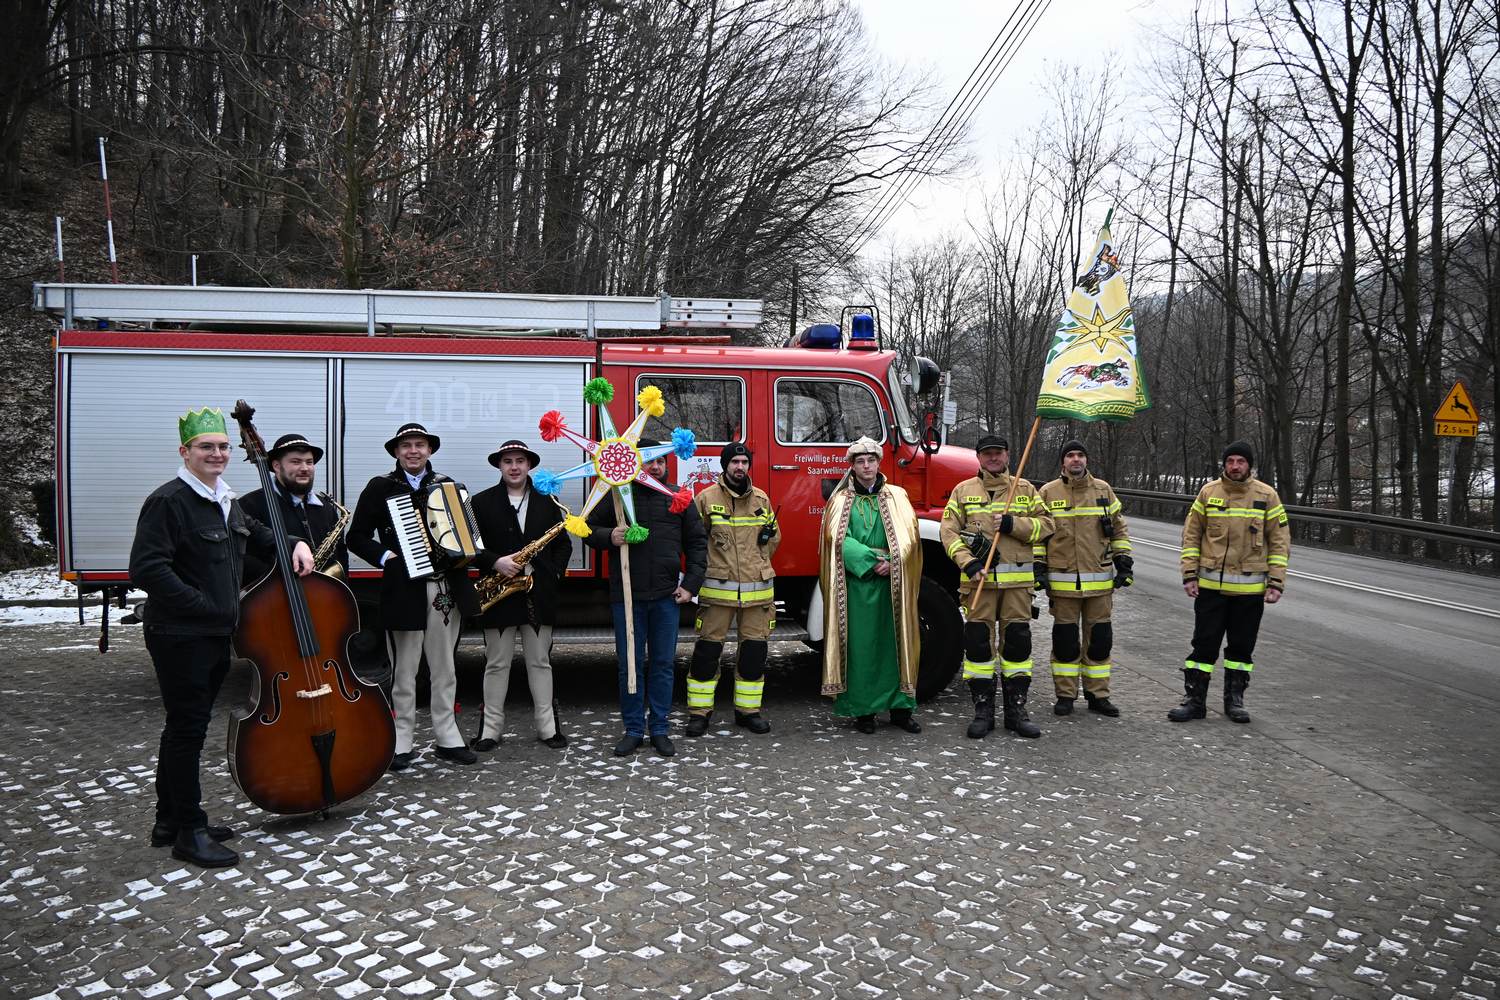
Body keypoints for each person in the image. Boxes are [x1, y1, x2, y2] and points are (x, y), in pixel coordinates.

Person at [129, 407, 314, 868]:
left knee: (185, 727)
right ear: (185, 452)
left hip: (213, 632)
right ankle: (189, 832)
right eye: (206, 447)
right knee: (187, 730)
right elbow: (147, 569)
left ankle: (169, 820)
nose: (217, 454)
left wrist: (295, 542)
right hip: (182, 634)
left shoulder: (223, 498)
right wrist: (204, 605)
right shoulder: (170, 500)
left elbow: (258, 532)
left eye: (223, 447)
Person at [347, 422, 481, 769]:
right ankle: (401, 738)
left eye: (419, 445)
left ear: (429, 450)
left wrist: (468, 548)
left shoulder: (449, 486)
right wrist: (386, 557)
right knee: (404, 670)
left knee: (445, 667)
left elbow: (468, 537)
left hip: (445, 587)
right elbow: (356, 536)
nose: (413, 451)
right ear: (396, 451)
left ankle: (447, 736)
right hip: (403, 588)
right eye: (406, 445)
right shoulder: (381, 487)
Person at [585, 439, 707, 758]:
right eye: (649, 461)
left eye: (660, 461)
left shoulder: (678, 497)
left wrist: (691, 585)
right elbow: (587, 528)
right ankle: (634, 729)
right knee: (630, 666)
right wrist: (608, 536)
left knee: (663, 665)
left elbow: (697, 544)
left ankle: (660, 729)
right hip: (627, 598)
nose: (655, 467)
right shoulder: (617, 495)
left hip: (666, 598)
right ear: (636, 463)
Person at [939, 434, 1054, 739]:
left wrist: (1014, 525)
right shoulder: (963, 491)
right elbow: (948, 532)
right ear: (978, 457)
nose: (993, 458)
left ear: (1007, 455)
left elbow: (1047, 526)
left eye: (998, 453)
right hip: (978, 585)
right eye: (987, 453)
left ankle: (1016, 712)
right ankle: (983, 712)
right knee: (978, 648)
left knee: (1018, 646)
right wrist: (967, 562)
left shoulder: (1025, 489)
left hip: (1017, 588)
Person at [1171, 440, 1290, 723]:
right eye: (1230, 461)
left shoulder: (1267, 496)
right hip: (1211, 589)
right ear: (1224, 464)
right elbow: (1191, 536)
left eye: (1241, 461)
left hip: (1249, 592)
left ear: (1249, 465)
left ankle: (1234, 701)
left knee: (1241, 649)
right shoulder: (1208, 492)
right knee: (1203, 647)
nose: (1235, 466)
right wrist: (1189, 574)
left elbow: (1280, 542)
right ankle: (1195, 701)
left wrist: (1276, 582)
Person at [469, 439, 572, 751]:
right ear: (499, 466)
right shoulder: (480, 502)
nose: (514, 467)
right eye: (508, 461)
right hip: (498, 593)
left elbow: (563, 545)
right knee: (496, 664)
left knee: (540, 662)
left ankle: (548, 728)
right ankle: (489, 731)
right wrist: (494, 562)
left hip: (537, 594)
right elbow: (469, 547)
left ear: (529, 465)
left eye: (520, 461)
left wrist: (553, 574)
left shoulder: (549, 501)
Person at [819, 436, 923, 734]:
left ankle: (901, 710)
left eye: (871, 460)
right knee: (862, 648)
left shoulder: (897, 496)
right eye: (860, 461)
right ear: (852, 466)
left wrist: (893, 562)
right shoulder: (840, 500)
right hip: (857, 587)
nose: (866, 466)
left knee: (897, 646)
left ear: (879, 463)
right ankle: (864, 711)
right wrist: (869, 562)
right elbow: (836, 538)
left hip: (893, 584)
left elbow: (911, 536)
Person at [686, 442, 780, 737]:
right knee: (706, 653)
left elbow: (773, 539)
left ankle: (748, 712)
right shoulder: (706, 498)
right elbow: (694, 542)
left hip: (757, 595)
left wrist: (758, 562)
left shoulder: (761, 499)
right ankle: (699, 714)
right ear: (725, 465)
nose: (740, 467)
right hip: (718, 594)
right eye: (735, 462)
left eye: (744, 462)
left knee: (754, 655)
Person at [1036, 439, 1133, 717]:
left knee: (1100, 641)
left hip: (1100, 584)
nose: (1076, 459)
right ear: (1063, 462)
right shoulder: (1047, 493)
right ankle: (1065, 695)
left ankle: (1098, 695)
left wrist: (1124, 561)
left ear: (1086, 459)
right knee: (1065, 643)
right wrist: (1038, 567)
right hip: (1063, 583)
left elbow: (1119, 529)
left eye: (1080, 455)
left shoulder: (1103, 490)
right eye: (1070, 455)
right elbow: (1038, 534)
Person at [238, 433, 348, 584]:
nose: (305, 468)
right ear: (277, 466)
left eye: (309, 462)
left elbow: (340, 553)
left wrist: (339, 590)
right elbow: (241, 557)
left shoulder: (326, 507)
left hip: (321, 593)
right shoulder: (249, 504)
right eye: (296, 462)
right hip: (274, 593)